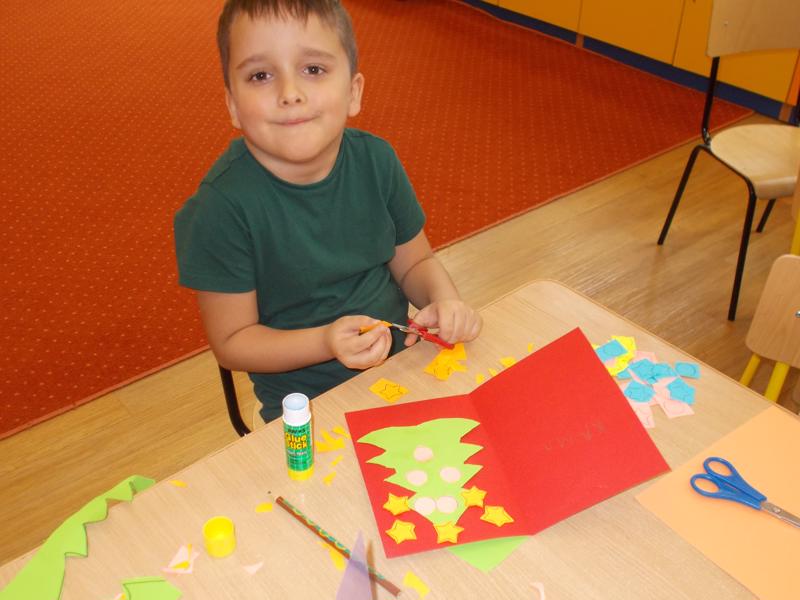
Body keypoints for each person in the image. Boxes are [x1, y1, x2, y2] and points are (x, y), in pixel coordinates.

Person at [174, 0, 482, 422]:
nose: (290, 93)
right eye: (261, 75)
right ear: (232, 104)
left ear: (353, 92)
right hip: (307, 411)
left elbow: (416, 264)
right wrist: (325, 342)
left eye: (313, 69)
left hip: (404, 370)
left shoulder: (377, 161)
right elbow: (233, 342)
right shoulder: (220, 209)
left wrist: (444, 301)